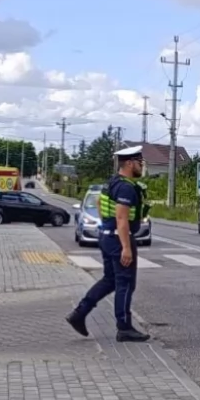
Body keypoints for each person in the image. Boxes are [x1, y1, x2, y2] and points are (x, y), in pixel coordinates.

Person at [66, 145, 151, 342]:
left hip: (107, 236)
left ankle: (79, 313)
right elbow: (122, 219)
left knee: (110, 280)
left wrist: (107, 226)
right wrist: (126, 248)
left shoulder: (111, 183)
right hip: (118, 239)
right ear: (129, 163)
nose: (141, 166)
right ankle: (124, 327)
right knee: (125, 283)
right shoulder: (126, 187)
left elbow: (99, 204)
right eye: (139, 163)